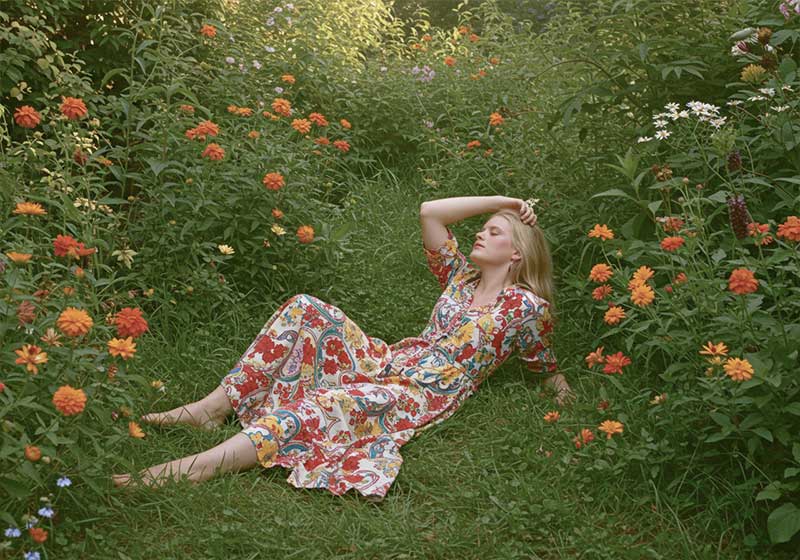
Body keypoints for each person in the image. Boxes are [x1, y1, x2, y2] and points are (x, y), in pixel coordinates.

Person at [111, 195, 574, 499]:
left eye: (495, 232)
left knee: (325, 404)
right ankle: (210, 409)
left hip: (418, 396)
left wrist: (556, 383)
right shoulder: (460, 277)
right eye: (484, 227)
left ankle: (193, 468)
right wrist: (508, 204)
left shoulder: (526, 307)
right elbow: (431, 211)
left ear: (518, 253)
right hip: (391, 358)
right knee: (306, 308)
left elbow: (541, 357)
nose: (480, 233)